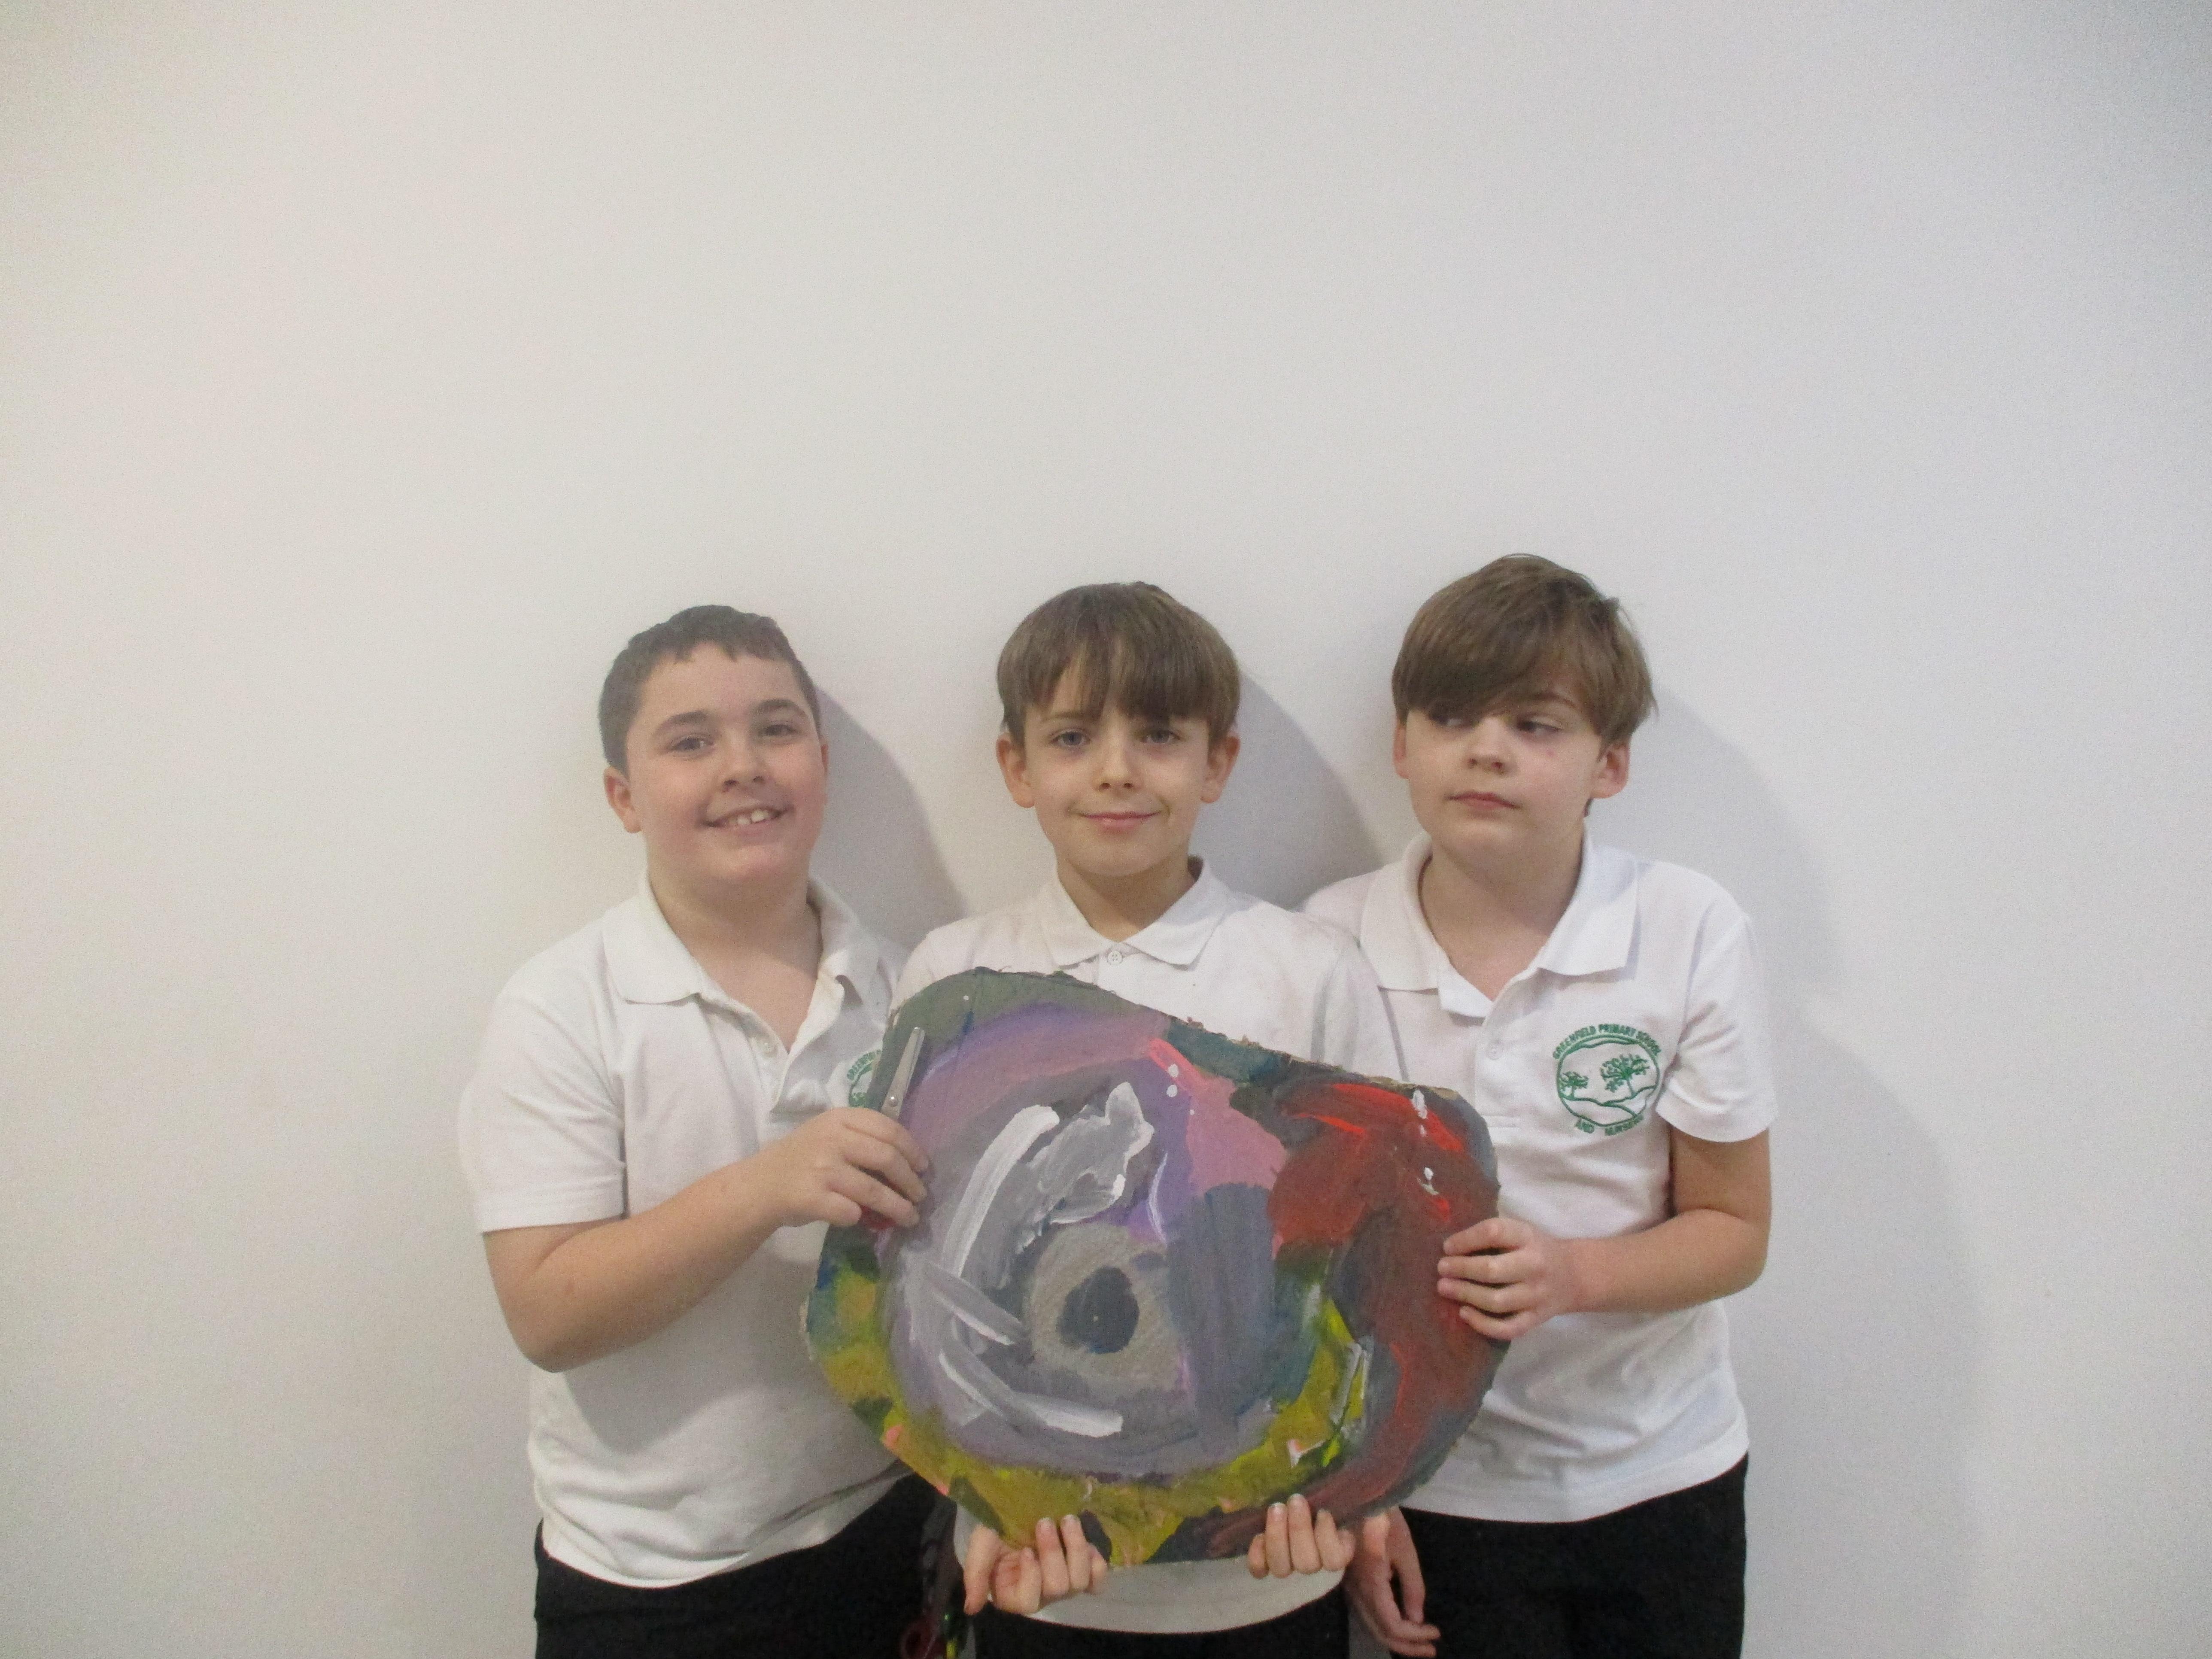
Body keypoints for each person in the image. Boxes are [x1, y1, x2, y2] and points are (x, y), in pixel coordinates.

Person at [896, 582, 1401, 1657]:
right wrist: (987, 1501)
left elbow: (1374, 1253)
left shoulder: (1307, 971)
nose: (1117, 769)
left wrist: (1359, 1484)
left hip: (1268, 1568)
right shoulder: (954, 978)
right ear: (1016, 767)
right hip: (1043, 1572)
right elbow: (921, 1274)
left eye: (1159, 735)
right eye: (1073, 737)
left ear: (1217, 763)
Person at [1307, 557, 1774, 1659]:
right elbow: (1303, 1264)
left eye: (1535, 724)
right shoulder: (1324, 941)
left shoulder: (1685, 928)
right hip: (1435, 1494)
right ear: (1400, 744)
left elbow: (1734, 1231)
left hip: (1660, 1474)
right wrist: (1355, 1490)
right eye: (1450, 717)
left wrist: (1571, 1275)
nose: (1486, 750)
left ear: (1609, 763)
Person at [458, 605, 937, 1658]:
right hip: (653, 1581)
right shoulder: (561, 1008)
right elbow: (546, 1313)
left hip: (887, 1529)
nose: (742, 766)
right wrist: (765, 1186)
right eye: (689, 742)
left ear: (821, 762)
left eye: (776, 729)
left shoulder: (915, 989)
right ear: (623, 797)